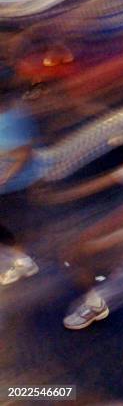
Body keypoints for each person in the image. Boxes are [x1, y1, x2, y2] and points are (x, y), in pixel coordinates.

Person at [0, 94, 39, 286]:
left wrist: (6, 177)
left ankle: (22, 263)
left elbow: (23, 153)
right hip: (11, 187)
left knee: (10, 227)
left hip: (14, 187)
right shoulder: (13, 115)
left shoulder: (10, 119)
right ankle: (16, 264)